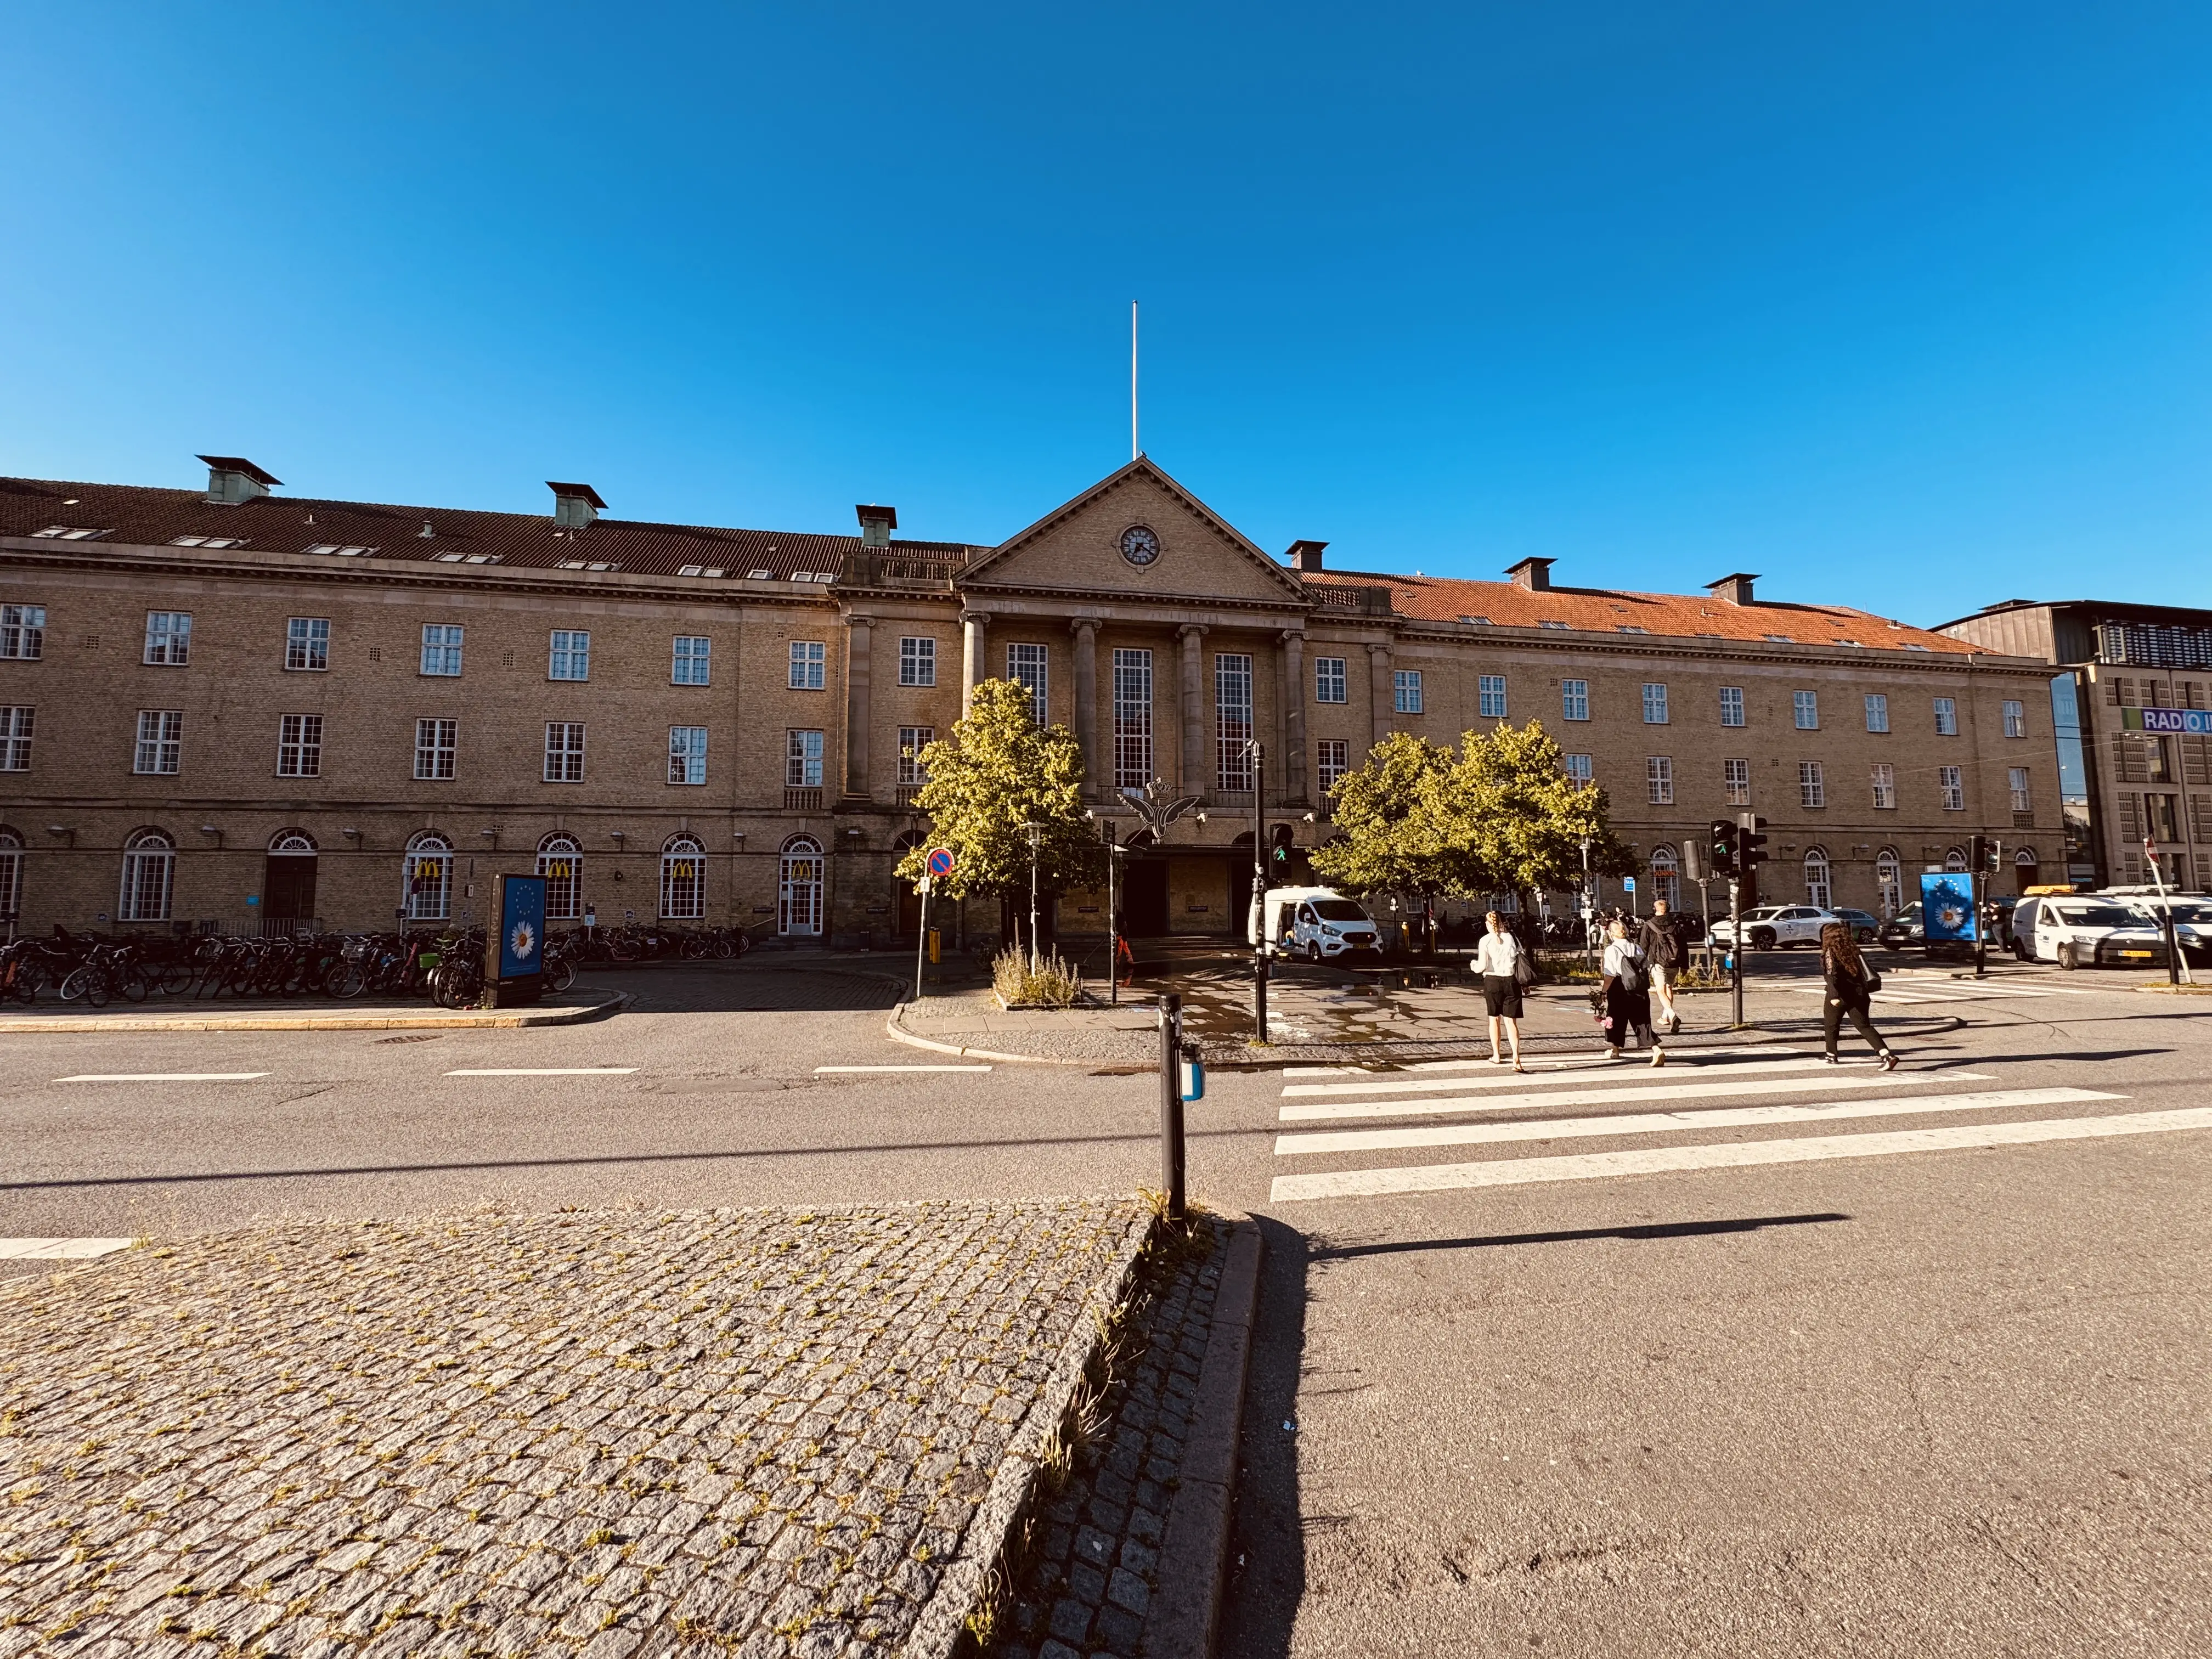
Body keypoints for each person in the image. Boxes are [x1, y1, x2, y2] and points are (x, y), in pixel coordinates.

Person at [1820, 921, 1899, 1069]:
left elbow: (1832, 977)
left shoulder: (1830, 953)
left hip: (1841, 995)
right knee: (1864, 1026)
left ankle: (1831, 1055)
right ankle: (1887, 1055)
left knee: (1831, 1024)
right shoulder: (1854, 950)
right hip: (1860, 994)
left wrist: (1834, 996)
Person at [1601, 917, 1664, 1064]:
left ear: (1611, 934)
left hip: (1620, 988)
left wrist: (1603, 992)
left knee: (1616, 1019)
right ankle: (1656, 1050)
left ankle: (1615, 1049)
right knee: (1642, 1021)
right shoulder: (1636, 947)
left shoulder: (1612, 949)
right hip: (1639, 988)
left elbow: (1610, 974)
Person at [1472, 910, 1527, 1071]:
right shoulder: (1512, 939)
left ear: (1489, 924)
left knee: (1494, 1019)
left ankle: (1497, 1054)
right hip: (1512, 981)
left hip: (1493, 981)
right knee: (1511, 1022)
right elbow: (1521, 959)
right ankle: (1516, 1056)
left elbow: (1482, 966)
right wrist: (1526, 983)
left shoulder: (1485, 941)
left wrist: (1473, 966)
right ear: (1503, 922)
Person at [1640, 899, 1684, 1035]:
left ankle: (1671, 1014)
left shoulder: (1649, 925)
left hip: (1657, 961)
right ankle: (1665, 1016)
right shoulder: (1676, 925)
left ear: (1654, 910)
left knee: (1660, 989)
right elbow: (1683, 945)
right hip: (1674, 962)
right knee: (1669, 988)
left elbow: (1644, 946)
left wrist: (1641, 964)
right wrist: (1685, 965)